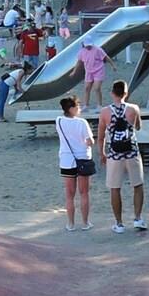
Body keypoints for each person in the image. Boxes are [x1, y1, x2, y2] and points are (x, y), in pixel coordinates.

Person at [96, 80, 146, 232]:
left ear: (112, 93)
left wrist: (102, 153)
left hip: (114, 153)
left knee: (115, 187)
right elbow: (138, 127)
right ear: (126, 93)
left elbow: (100, 136)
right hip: (131, 150)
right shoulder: (133, 109)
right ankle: (138, 218)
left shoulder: (105, 112)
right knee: (137, 185)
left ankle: (119, 223)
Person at [54, 95, 95, 230]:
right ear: (71, 108)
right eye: (77, 106)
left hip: (67, 160)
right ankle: (85, 222)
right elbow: (90, 141)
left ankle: (70, 223)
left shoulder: (59, 120)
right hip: (83, 158)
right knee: (84, 193)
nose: (79, 109)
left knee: (69, 195)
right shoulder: (82, 122)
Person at [77, 37, 108, 109]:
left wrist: (113, 66)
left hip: (98, 70)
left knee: (97, 88)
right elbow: (79, 62)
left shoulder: (98, 50)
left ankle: (99, 105)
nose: (88, 47)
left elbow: (106, 57)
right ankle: (86, 105)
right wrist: (74, 71)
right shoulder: (82, 52)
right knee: (87, 88)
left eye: (89, 45)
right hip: (89, 71)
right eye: (87, 45)